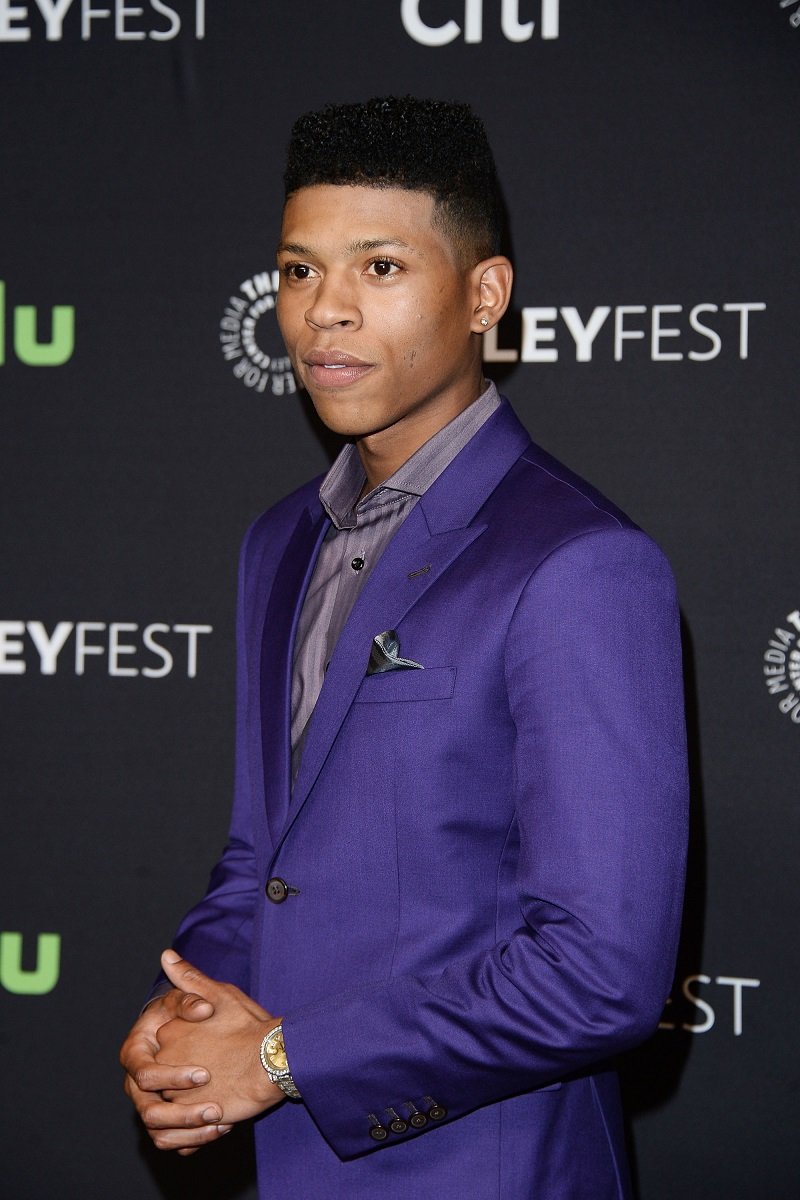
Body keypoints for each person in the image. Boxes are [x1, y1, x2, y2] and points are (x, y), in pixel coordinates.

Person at [120, 96, 688, 1199]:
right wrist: (196, 1006)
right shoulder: (278, 541)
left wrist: (282, 1064)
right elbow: (261, 860)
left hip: (484, 1167)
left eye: (378, 268)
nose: (323, 312)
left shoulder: (579, 563)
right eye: (297, 271)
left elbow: (601, 975)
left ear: (484, 295)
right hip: (290, 1164)